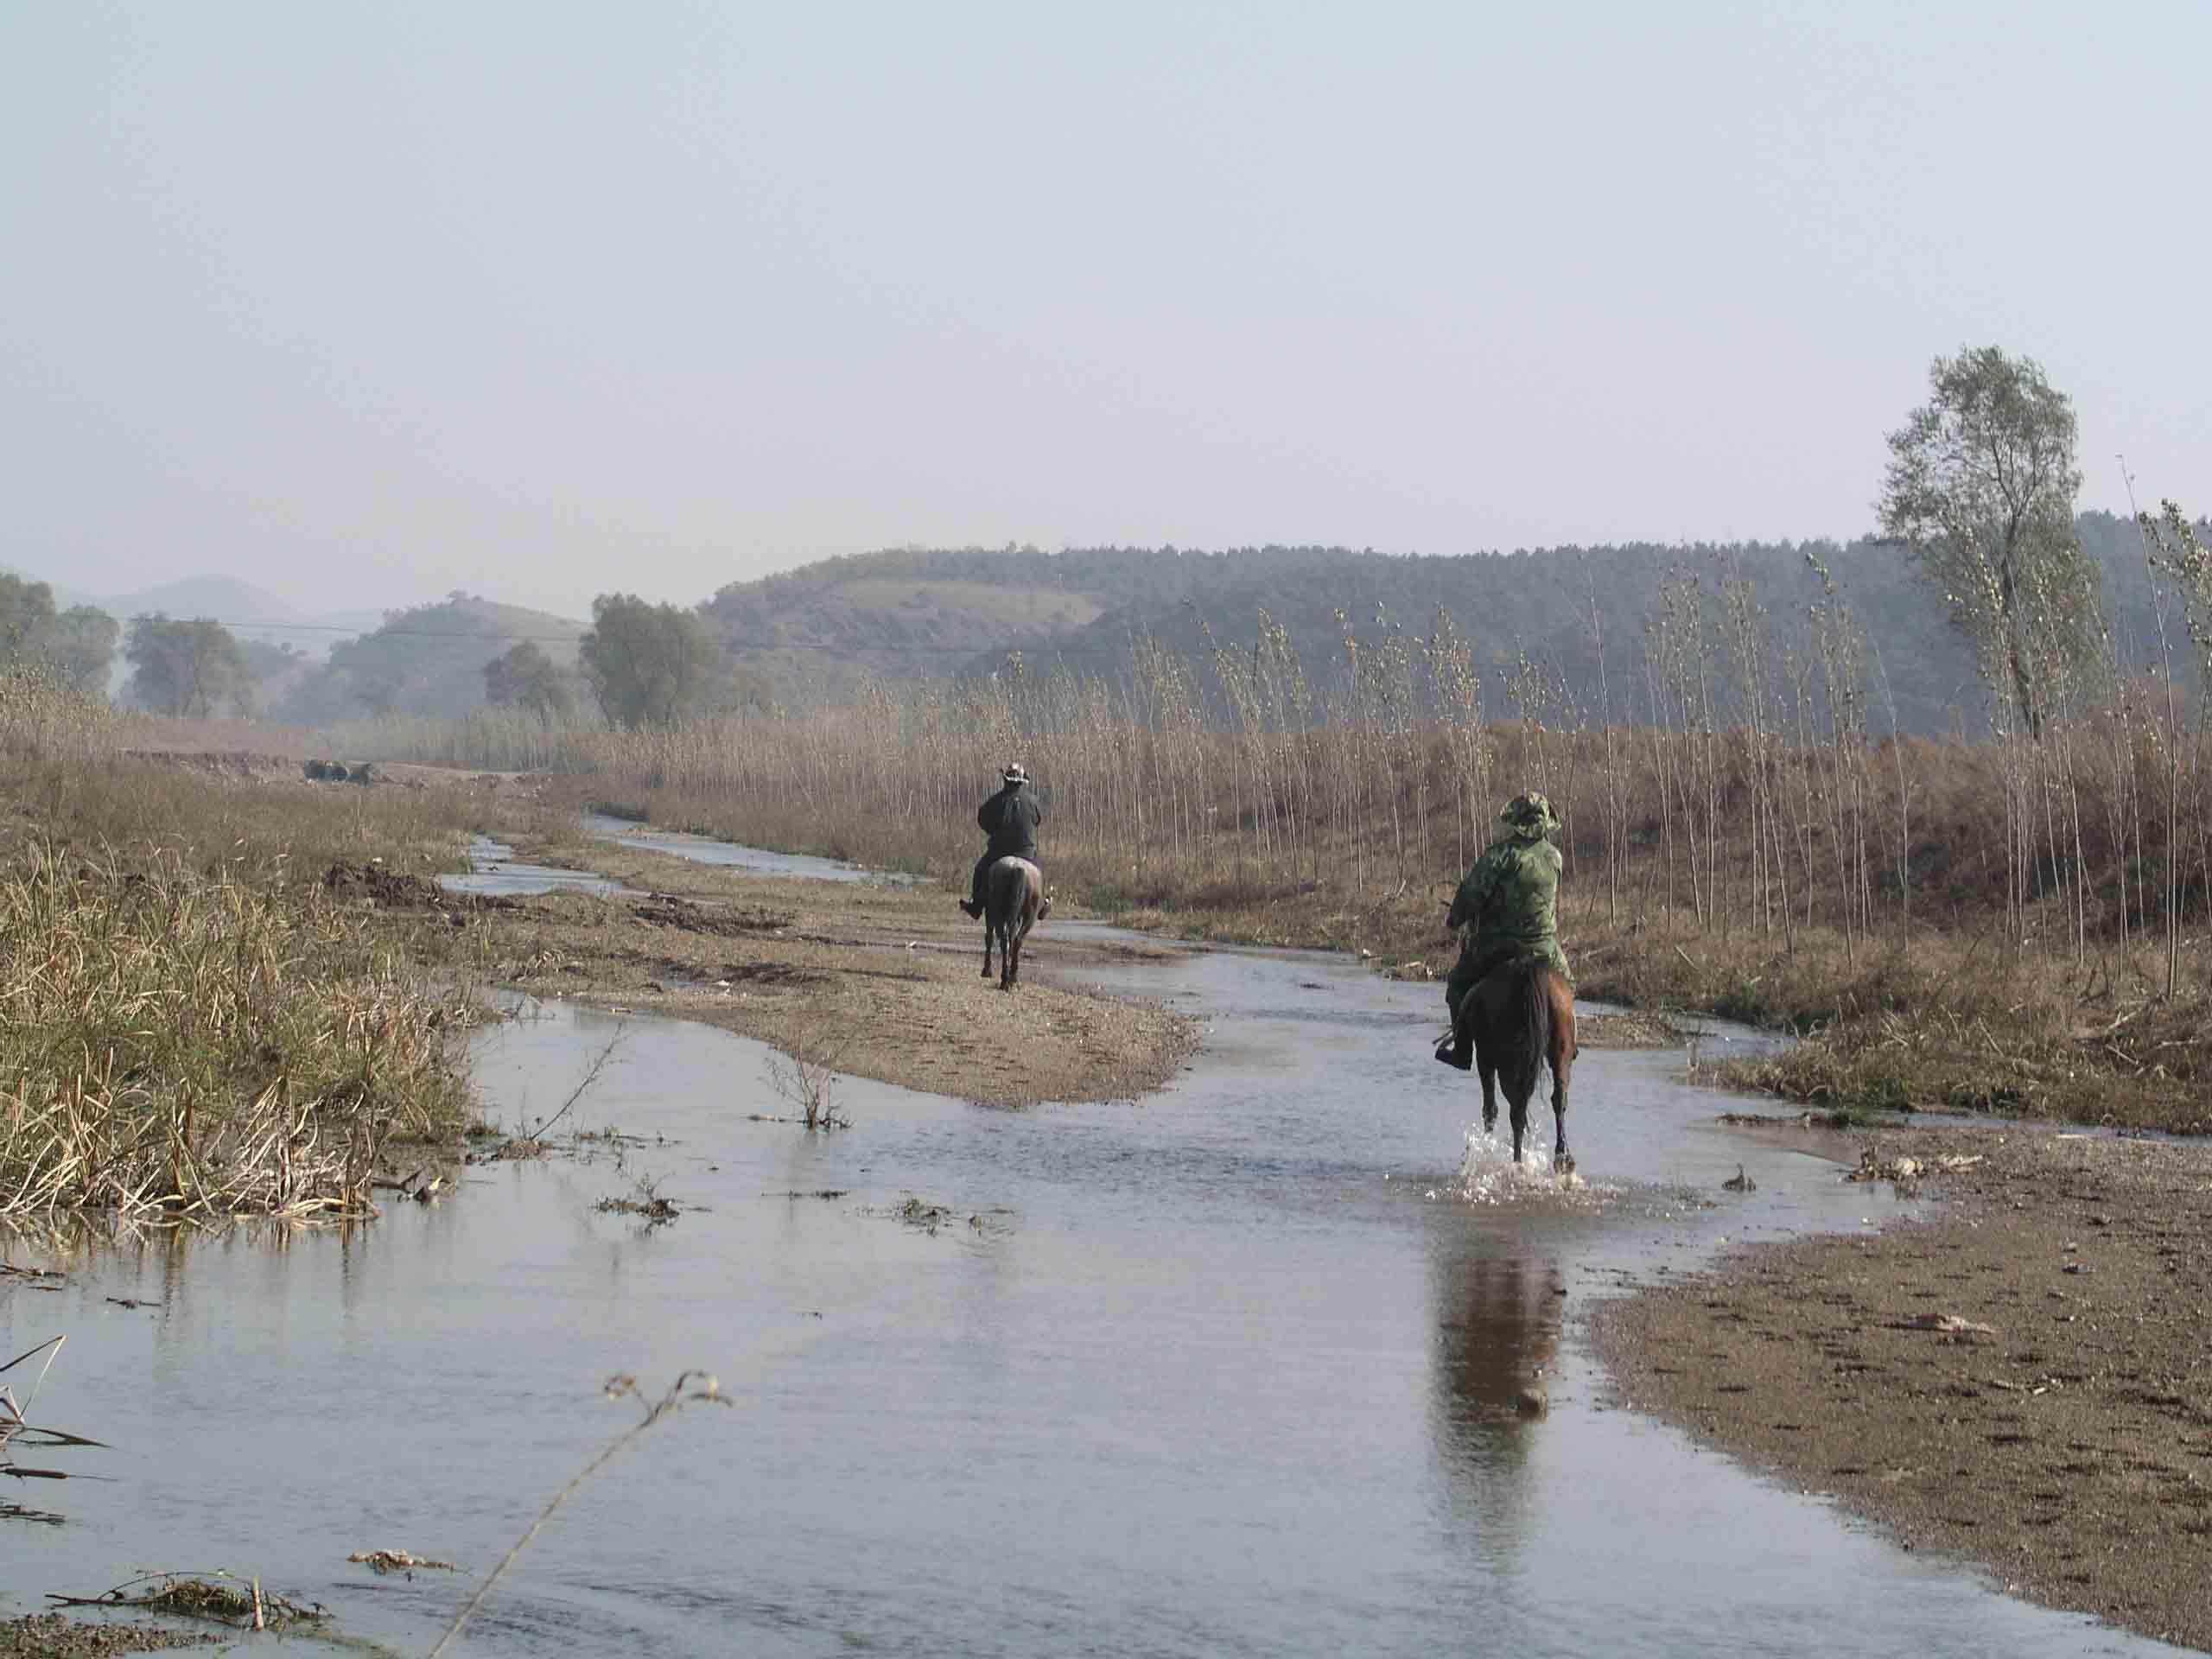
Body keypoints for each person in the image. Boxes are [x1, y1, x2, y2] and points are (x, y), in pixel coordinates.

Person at [1434, 791, 1572, 1070]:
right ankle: (1567, 1045)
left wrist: (1454, 919)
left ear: (1515, 822)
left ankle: (1462, 1052)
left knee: (1458, 984)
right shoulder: (1555, 858)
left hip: (1498, 945)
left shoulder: (1498, 856)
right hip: (1545, 946)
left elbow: (1471, 895)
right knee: (1569, 985)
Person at [960, 762, 1051, 921]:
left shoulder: (995, 801)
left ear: (1006, 780)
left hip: (998, 852)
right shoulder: (1033, 801)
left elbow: (982, 820)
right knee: (1040, 871)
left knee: (980, 870)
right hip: (1027, 852)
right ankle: (1043, 904)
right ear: (1022, 782)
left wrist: (993, 831)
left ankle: (976, 906)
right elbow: (1038, 820)